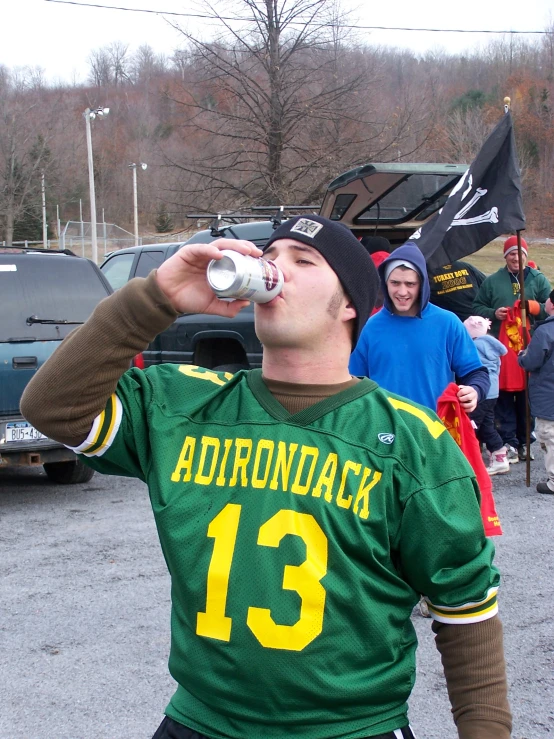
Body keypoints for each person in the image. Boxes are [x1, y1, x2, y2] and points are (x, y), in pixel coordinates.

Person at [21, 215, 511, 739]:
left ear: (349, 304)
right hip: (198, 723)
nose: (275, 267)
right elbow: (52, 408)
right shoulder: (188, 403)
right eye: (270, 255)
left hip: (351, 728)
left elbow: (466, 614)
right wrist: (156, 297)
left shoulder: (413, 442)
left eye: (304, 261)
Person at [349, 242, 490, 413]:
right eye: (395, 283)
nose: (402, 292)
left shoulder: (448, 323)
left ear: (422, 284)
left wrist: (474, 391)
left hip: (434, 429)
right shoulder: (369, 328)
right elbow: (354, 385)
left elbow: (476, 372)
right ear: (385, 283)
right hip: (385, 432)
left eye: (410, 284)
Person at [472, 235, 552, 463]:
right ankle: (509, 441)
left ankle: (527, 441)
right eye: (512, 253)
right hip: (502, 348)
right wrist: (493, 313)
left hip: (532, 346)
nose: (516, 257)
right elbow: (477, 306)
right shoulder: (493, 281)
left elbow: (550, 309)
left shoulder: (538, 280)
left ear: (526, 255)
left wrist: (534, 307)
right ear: (506, 256)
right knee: (505, 395)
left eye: (520, 253)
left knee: (527, 395)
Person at [518, 288, 554, 495]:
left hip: (548, 395)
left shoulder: (546, 331)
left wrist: (522, 356)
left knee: (550, 437)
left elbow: (532, 361)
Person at [463, 316, 509, 476]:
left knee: (472, 425)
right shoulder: (492, 346)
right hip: (493, 392)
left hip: (481, 392)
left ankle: (470, 458)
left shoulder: (474, 346)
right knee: (487, 424)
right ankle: (499, 455)